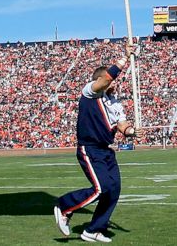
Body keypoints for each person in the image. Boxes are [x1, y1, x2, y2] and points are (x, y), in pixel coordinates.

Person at [54, 41, 138, 243]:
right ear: (100, 80)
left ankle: (93, 229)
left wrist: (133, 131)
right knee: (101, 188)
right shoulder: (90, 92)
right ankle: (64, 206)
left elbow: (122, 126)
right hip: (89, 148)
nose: (114, 83)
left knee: (114, 189)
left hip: (106, 151)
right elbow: (108, 77)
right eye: (109, 80)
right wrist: (124, 57)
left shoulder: (115, 102)